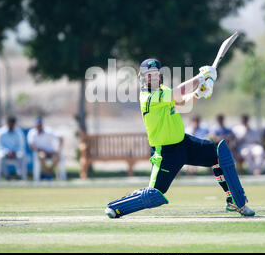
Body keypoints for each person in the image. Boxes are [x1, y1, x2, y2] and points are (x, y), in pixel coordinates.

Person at [105, 59, 255, 218]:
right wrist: (200, 77)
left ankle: (235, 201)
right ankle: (116, 207)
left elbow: (182, 102)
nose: (154, 78)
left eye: (156, 74)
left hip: (184, 144)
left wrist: (198, 92)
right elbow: (179, 92)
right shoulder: (148, 97)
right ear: (142, 78)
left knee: (220, 155)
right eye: (149, 75)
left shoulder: (163, 90)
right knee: (154, 194)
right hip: (165, 153)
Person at [0, 116, 26, 181]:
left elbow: (21, 146)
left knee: (21, 156)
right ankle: (7, 176)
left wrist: (14, 151)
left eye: (13, 123)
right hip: (4, 153)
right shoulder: (0, 132)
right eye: (10, 123)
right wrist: (7, 151)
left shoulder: (19, 132)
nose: (11, 125)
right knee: (1, 157)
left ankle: (19, 176)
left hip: (15, 153)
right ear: (7, 123)